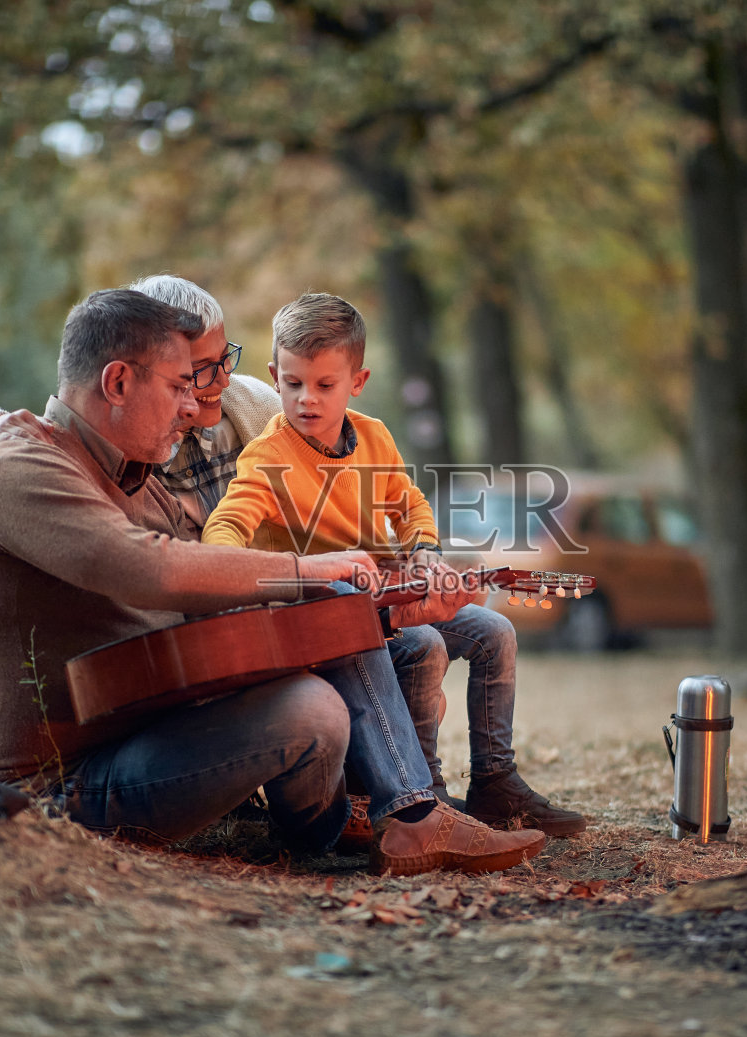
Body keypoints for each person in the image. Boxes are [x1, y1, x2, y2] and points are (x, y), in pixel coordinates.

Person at [0, 287, 545, 874]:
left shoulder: (138, 478)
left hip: (155, 726)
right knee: (312, 711)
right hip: (63, 784)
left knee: (361, 647)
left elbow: (218, 602)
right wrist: (308, 570)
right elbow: (152, 568)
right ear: (118, 382)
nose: (191, 406)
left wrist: (387, 611)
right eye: (179, 386)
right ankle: (371, 821)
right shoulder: (21, 467)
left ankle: (403, 809)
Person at [201, 293, 587, 837]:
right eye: (293, 383)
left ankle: (495, 781)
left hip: (383, 601)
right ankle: (427, 794)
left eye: (325, 385)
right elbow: (224, 527)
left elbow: (410, 506)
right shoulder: (268, 457)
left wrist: (425, 552)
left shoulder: (374, 437)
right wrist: (240, 570)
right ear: (274, 376)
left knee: (496, 632)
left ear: (357, 381)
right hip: (322, 622)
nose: (307, 399)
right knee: (424, 643)